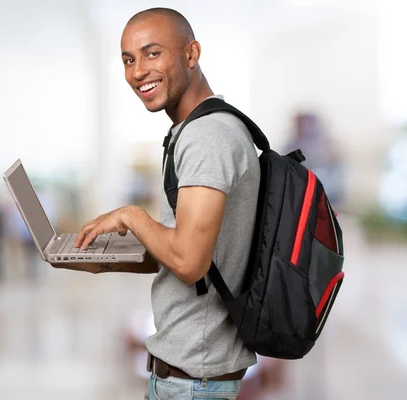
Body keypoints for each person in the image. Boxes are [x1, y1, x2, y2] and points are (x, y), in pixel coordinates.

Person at [50, 7, 260, 400]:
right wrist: (107, 259)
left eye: (152, 53)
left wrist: (131, 216)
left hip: (195, 382)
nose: (137, 72)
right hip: (189, 377)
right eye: (128, 59)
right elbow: (182, 251)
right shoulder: (192, 131)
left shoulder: (207, 137)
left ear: (191, 54)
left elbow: (188, 261)